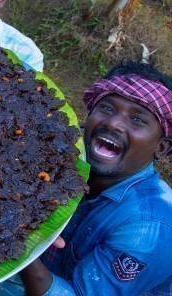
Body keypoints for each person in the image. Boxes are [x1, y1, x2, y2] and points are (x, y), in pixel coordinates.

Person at [17, 60, 172, 295]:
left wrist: (19, 245)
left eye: (137, 120)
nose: (113, 123)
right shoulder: (63, 164)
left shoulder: (150, 226)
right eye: (107, 109)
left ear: (161, 148)